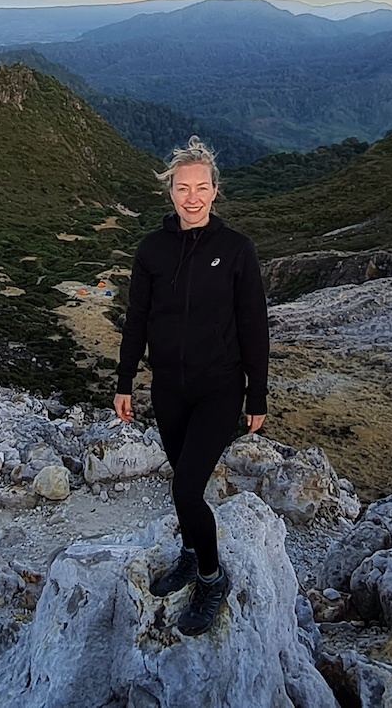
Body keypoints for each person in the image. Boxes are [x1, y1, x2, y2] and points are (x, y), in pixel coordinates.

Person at [113, 135, 269, 636]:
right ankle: (188, 550)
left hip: (220, 389)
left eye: (201, 187)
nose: (193, 197)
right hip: (168, 389)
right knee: (185, 485)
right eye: (183, 188)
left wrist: (257, 394)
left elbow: (253, 326)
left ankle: (211, 576)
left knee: (184, 487)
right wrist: (124, 382)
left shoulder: (236, 250)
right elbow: (136, 318)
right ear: (171, 192)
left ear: (215, 191)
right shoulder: (153, 249)